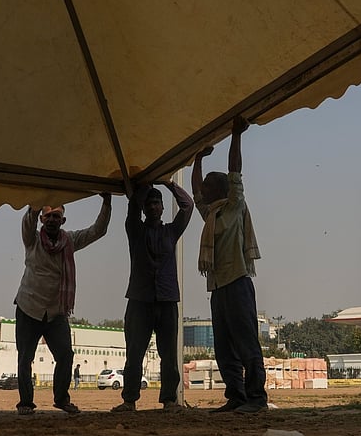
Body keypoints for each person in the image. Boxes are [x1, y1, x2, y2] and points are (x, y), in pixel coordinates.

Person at [192, 116, 268, 414]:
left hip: (237, 282)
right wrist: (197, 160)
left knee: (247, 343)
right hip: (219, 287)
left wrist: (236, 135)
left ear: (221, 190)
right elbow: (196, 189)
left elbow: (235, 170)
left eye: (210, 187)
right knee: (224, 347)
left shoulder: (234, 206)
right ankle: (236, 396)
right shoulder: (210, 215)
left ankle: (256, 398)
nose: (204, 191)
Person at [13, 196, 111, 415]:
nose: (51, 220)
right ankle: (26, 403)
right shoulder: (32, 240)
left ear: (63, 220)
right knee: (25, 358)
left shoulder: (70, 241)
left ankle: (61, 399)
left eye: (56, 216)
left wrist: (107, 202)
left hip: (56, 312)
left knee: (66, 355)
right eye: (47, 215)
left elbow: (98, 231)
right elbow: (27, 220)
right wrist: (38, 196)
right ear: (41, 218)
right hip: (29, 307)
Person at [112, 181, 194, 413]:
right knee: (134, 354)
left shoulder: (171, 231)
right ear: (144, 208)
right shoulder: (135, 231)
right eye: (149, 204)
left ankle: (169, 400)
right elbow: (132, 208)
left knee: (168, 355)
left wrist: (168, 182)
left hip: (167, 300)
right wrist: (143, 188)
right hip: (140, 300)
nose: (153, 207)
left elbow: (187, 206)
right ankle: (129, 400)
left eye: (156, 203)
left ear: (162, 207)